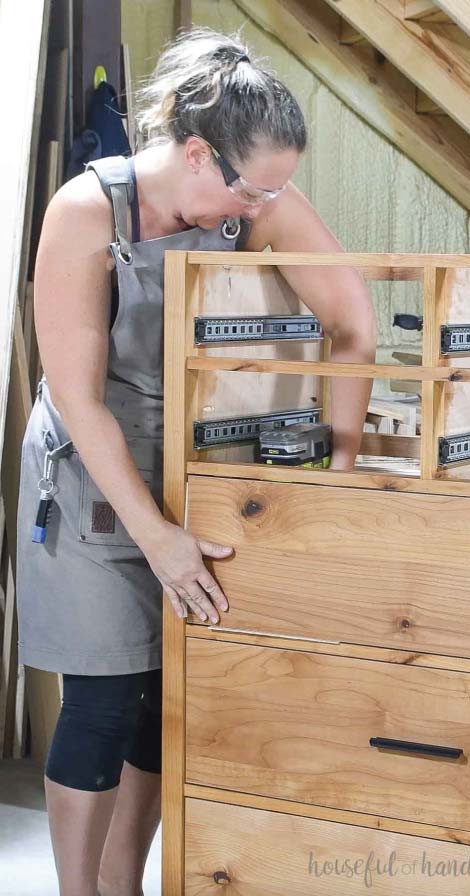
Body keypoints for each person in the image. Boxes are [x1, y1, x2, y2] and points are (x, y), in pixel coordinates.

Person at [15, 28, 377, 896]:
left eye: (276, 190)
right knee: (104, 699)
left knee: (165, 702)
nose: (261, 209)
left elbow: (355, 324)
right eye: (252, 189)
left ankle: (121, 882)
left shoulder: (254, 201)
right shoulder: (85, 212)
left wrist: (340, 470)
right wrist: (157, 538)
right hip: (95, 480)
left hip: (196, 476)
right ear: (194, 152)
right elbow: (78, 396)